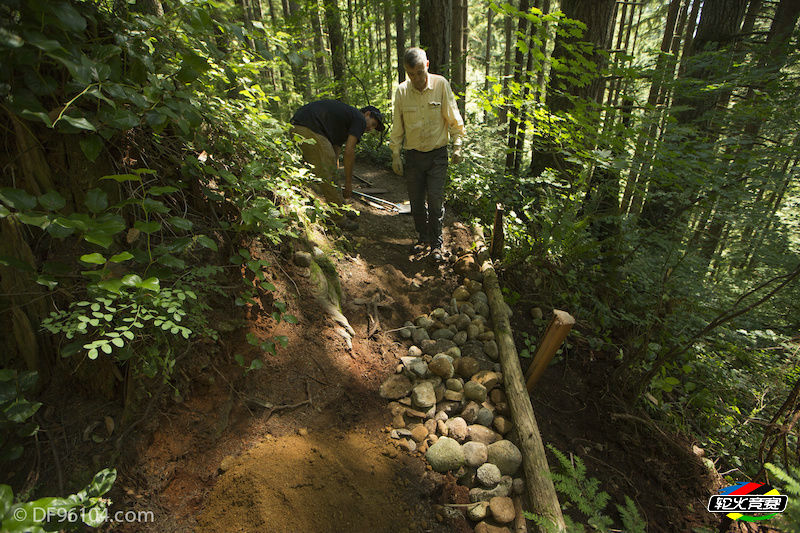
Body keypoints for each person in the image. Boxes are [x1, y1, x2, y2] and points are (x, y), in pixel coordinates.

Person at [390, 47, 465, 261]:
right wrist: (395, 153)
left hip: (437, 155)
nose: (416, 78)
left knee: (435, 200)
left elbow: (453, 116)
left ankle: (436, 245)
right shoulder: (402, 91)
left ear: (427, 66)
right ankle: (423, 238)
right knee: (416, 203)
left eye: (420, 72)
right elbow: (398, 125)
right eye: (411, 74)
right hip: (413, 156)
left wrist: (457, 144)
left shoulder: (441, 85)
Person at [290, 100, 385, 202]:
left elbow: (335, 153)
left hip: (296, 126)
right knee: (327, 173)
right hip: (309, 126)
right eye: (373, 123)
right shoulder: (359, 119)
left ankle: (309, 201)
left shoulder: (344, 122)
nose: (370, 128)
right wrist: (348, 184)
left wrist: (336, 177)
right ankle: (338, 215)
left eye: (374, 127)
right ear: (367, 114)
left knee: (321, 170)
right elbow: (349, 151)